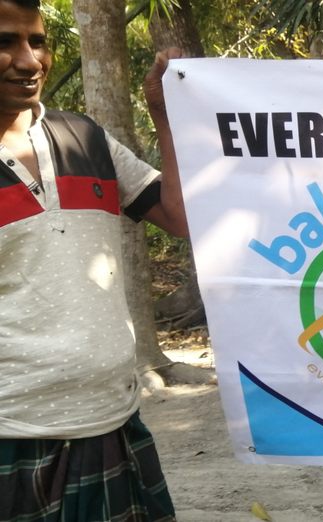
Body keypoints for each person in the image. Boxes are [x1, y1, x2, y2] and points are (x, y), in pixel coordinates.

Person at [0, 0, 188, 519]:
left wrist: (164, 115)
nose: (29, 60)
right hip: (12, 432)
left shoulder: (86, 139)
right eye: (5, 42)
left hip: (112, 421)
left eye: (37, 41)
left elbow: (178, 216)